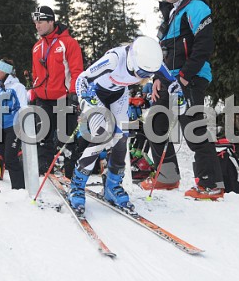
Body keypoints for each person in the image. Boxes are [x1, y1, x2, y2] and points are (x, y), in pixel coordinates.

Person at [67, 36, 182, 213]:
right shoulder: (114, 59)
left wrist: (178, 95)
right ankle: (77, 186)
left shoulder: (152, 61)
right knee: (102, 136)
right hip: (96, 94)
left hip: (118, 94)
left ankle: (112, 186)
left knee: (121, 138)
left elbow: (172, 83)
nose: (143, 77)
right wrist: (84, 99)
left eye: (148, 75)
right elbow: (82, 79)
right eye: (141, 73)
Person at [141, 0, 224, 201]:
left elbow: (204, 45)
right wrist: (157, 78)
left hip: (191, 77)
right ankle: (167, 176)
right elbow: (164, 52)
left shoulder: (196, 7)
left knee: (193, 128)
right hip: (170, 79)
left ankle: (211, 184)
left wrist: (185, 76)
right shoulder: (170, 13)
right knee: (155, 124)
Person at [28, 6, 84, 177]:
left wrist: (74, 94)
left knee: (66, 140)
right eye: (35, 22)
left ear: (51, 21)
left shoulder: (68, 43)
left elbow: (77, 72)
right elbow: (36, 75)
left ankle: (71, 176)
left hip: (63, 98)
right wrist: (33, 94)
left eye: (41, 22)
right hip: (43, 100)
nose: (37, 25)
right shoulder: (37, 47)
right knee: (42, 139)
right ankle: (44, 173)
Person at [0, 59, 27, 189]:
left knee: (11, 158)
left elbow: (23, 107)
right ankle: (17, 188)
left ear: (5, 71)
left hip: (13, 127)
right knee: (5, 158)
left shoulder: (17, 87)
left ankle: (19, 188)